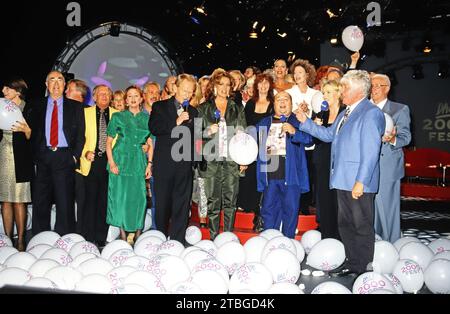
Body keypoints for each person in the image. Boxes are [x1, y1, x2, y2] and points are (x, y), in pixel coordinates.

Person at [296, 70, 385, 277]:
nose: (341, 91)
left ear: (357, 90)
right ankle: (353, 263)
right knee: (345, 225)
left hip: (357, 182)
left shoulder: (371, 113)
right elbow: (328, 135)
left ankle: (363, 267)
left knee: (361, 225)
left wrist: (361, 182)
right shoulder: (347, 112)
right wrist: (305, 121)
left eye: (344, 87)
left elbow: (371, 152)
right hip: (342, 179)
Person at [30, 71, 85, 236]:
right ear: (46, 85)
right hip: (43, 156)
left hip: (64, 157)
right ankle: (40, 238)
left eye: (59, 80)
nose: (55, 83)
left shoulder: (75, 107)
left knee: (65, 201)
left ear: (65, 85)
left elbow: (81, 135)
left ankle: (65, 239)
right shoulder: (36, 105)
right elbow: (31, 133)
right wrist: (36, 155)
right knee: (40, 201)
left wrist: (74, 156)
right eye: (51, 80)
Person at [197, 70, 247, 240]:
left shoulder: (236, 107)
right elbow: (194, 134)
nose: (225, 88)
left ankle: (227, 237)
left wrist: (244, 159)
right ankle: (213, 237)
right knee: (213, 202)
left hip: (232, 160)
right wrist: (207, 131)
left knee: (230, 202)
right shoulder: (203, 108)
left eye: (228, 85)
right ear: (214, 86)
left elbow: (243, 135)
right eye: (221, 84)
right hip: (211, 162)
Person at [149, 74, 198, 243]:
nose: (187, 95)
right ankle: (160, 238)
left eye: (191, 92)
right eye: (185, 90)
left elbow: (195, 138)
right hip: (164, 164)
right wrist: (176, 122)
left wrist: (196, 160)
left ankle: (177, 240)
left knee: (182, 205)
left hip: (184, 165)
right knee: (162, 204)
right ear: (175, 88)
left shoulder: (193, 111)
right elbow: (154, 128)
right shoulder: (159, 106)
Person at [256, 91, 311, 238]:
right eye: (278, 99)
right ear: (273, 104)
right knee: (268, 211)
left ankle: (288, 243)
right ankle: (269, 241)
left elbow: (310, 139)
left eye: (286, 99)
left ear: (291, 104)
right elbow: (254, 146)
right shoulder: (264, 123)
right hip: (270, 173)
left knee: (291, 210)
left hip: (291, 174)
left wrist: (294, 132)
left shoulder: (298, 120)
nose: (282, 102)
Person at [106, 86, 152, 242]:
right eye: (130, 96)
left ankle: (138, 234)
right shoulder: (118, 117)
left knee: (139, 198)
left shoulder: (147, 119)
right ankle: (123, 235)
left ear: (141, 99)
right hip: (120, 161)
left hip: (138, 162)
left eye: (136, 96)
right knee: (120, 198)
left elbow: (150, 144)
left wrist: (149, 165)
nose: (133, 99)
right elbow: (109, 143)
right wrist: (112, 163)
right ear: (126, 101)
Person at [371, 74, 411, 243]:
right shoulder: (364, 109)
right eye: (371, 86)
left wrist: (392, 139)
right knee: (367, 209)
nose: (373, 89)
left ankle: (390, 245)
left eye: (377, 86)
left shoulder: (399, 109)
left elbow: (406, 137)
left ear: (387, 88)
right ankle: (370, 244)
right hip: (366, 166)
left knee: (387, 209)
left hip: (387, 166)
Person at [77, 85, 118, 247]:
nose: (104, 96)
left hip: (109, 162)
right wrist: (85, 153)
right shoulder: (84, 113)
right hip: (90, 161)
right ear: (94, 97)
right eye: (100, 94)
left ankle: (101, 237)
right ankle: (88, 236)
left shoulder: (118, 114)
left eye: (107, 94)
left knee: (104, 201)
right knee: (89, 200)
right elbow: (78, 137)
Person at [237, 73, 274, 232]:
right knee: (250, 178)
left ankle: (260, 215)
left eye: (266, 83)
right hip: (252, 145)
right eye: (261, 83)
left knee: (264, 179)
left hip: (268, 146)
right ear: (256, 86)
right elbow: (245, 126)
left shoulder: (273, 103)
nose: (263, 86)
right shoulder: (251, 104)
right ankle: (249, 207)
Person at [0, 78, 33, 251]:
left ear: (18, 91)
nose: (4, 90)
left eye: (8, 88)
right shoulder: (1, 106)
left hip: (22, 159)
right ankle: (7, 240)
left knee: (20, 201)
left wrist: (27, 130)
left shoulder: (29, 108)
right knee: (5, 200)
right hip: (4, 154)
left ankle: (20, 240)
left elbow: (36, 138)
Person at [312, 80, 345, 240]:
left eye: (329, 92)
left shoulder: (346, 113)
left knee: (338, 200)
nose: (325, 96)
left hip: (340, 161)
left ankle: (340, 238)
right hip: (323, 160)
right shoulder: (321, 114)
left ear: (339, 93)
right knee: (324, 199)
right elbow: (313, 141)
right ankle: (327, 236)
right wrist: (315, 127)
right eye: (324, 92)